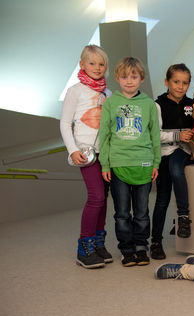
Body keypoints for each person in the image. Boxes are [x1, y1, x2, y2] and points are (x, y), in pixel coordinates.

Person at [99, 57, 161, 267]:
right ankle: (126, 249)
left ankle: (141, 247)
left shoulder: (149, 104)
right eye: (124, 77)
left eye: (133, 77)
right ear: (117, 78)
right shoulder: (111, 102)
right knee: (122, 213)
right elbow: (104, 135)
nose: (129, 81)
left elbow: (155, 136)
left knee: (142, 212)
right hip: (118, 165)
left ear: (141, 78)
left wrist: (156, 164)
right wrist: (105, 165)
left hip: (143, 163)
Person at [60, 44, 112, 269]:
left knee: (103, 200)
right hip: (86, 153)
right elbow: (64, 122)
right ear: (82, 65)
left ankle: (99, 242)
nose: (97, 67)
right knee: (96, 197)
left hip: (106, 153)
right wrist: (73, 149)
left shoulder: (107, 93)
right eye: (92, 63)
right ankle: (85, 245)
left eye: (101, 64)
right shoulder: (75, 90)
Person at [150, 64, 194, 259]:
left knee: (177, 169)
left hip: (184, 152)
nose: (180, 86)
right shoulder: (158, 104)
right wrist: (178, 135)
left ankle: (183, 216)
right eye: (176, 82)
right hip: (163, 152)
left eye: (185, 83)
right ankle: (155, 242)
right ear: (167, 82)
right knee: (161, 199)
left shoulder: (192, 104)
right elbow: (155, 135)